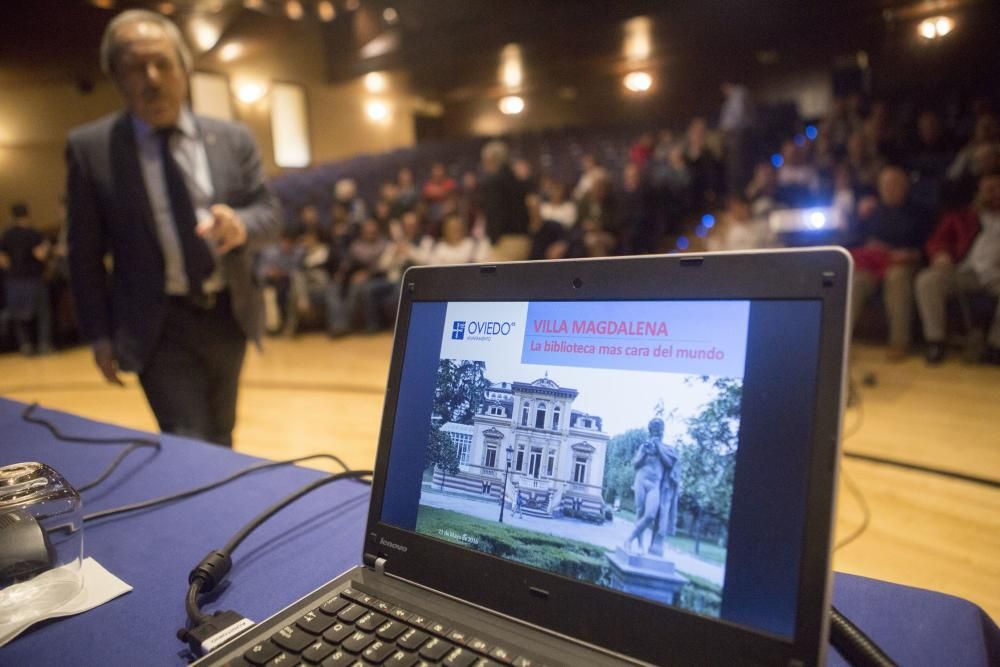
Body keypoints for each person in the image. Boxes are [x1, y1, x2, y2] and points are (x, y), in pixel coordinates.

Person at [65, 10, 280, 446]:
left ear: (185, 69)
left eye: (163, 63)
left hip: (227, 312)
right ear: (115, 78)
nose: (152, 78)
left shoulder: (233, 138)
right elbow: (83, 254)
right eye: (133, 67)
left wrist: (240, 225)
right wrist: (100, 336)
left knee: (222, 435)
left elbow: (269, 212)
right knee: (187, 438)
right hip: (156, 324)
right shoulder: (91, 150)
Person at [915, 172, 1000, 365]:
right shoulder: (963, 217)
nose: (992, 194)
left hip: (996, 275)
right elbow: (937, 241)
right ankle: (935, 341)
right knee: (927, 280)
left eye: (996, 189)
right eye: (988, 190)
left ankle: (996, 348)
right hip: (966, 272)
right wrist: (941, 254)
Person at [849, 166, 928, 360]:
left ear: (905, 186)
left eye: (894, 184)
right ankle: (840, 341)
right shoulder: (873, 211)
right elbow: (857, 239)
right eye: (885, 185)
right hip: (874, 264)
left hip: (905, 263)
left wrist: (910, 254)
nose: (889, 189)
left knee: (897, 278)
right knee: (856, 281)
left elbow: (927, 245)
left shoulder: (919, 212)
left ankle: (899, 342)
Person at [0, 203, 53, 355]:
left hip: (14, 280)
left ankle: (26, 345)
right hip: (33, 278)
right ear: (27, 215)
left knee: (19, 315)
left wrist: (13, 268)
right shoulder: (33, 233)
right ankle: (44, 344)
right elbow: (40, 255)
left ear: (12, 216)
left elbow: (2, 259)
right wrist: (47, 247)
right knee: (43, 313)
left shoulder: (7, 235)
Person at [623, 418, 680, 557]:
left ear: (662, 432)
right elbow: (636, 465)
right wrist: (645, 454)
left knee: (650, 515)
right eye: (654, 431)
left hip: (654, 485)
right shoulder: (645, 446)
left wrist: (658, 447)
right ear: (650, 431)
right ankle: (641, 546)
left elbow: (669, 464)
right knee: (640, 512)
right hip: (641, 480)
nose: (657, 433)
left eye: (659, 431)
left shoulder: (666, 449)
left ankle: (629, 539)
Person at [479, 141, 530, 261]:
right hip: (524, 240)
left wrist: (493, 238)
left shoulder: (493, 182)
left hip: (505, 241)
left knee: (491, 277)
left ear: (491, 159)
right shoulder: (518, 179)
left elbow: (494, 211)